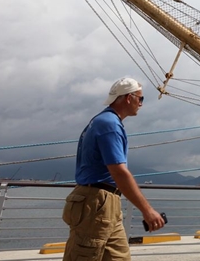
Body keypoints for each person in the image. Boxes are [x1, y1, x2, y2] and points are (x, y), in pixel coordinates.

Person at [62, 77, 166, 261]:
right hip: (97, 203)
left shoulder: (102, 121)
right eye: (140, 98)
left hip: (103, 202)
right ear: (128, 98)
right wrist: (147, 211)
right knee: (84, 255)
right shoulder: (109, 124)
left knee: (119, 257)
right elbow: (118, 171)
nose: (141, 103)